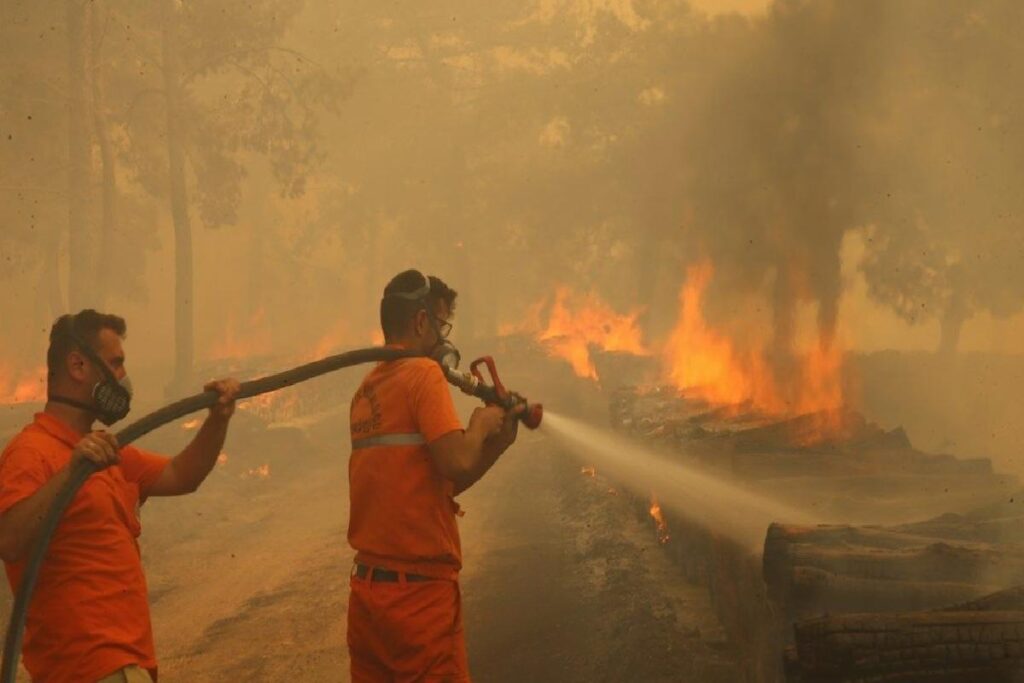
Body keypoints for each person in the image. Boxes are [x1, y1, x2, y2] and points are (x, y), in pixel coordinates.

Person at [0, 309, 241, 683]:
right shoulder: (31, 453)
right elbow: (10, 539)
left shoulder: (110, 454)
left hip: (127, 666)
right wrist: (70, 472)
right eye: (116, 364)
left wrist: (218, 418)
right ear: (78, 365)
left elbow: (182, 474)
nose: (123, 380)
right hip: (83, 670)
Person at [347, 270, 519, 682]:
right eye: (441, 325)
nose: (444, 339)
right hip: (419, 603)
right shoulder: (423, 375)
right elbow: (458, 461)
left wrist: (498, 443)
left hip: (370, 601)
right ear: (421, 322)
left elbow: (442, 478)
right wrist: (480, 425)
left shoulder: (368, 390)